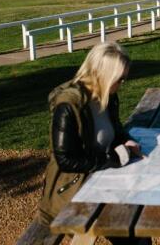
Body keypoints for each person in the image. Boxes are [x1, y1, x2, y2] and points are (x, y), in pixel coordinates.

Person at [36, 42, 142, 240]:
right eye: (120, 78)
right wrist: (109, 159)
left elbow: (115, 130)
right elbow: (66, 160)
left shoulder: (107, 95)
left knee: (136, 227)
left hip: (101, 178)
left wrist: (126, 140)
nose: (123, 83)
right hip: (73, 189)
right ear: (104, 75)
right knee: (129, 228)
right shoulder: (68, 105)